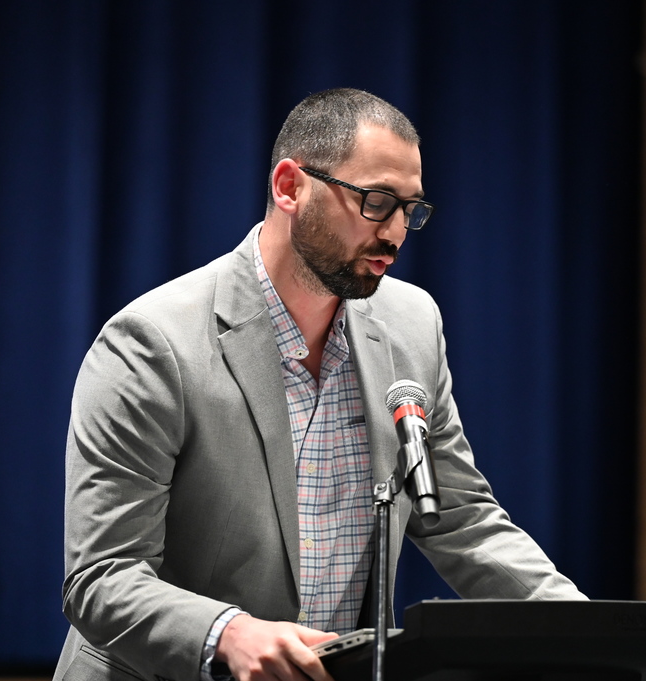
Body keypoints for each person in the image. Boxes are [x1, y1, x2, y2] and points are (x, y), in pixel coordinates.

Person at [53, 88, 585, 681]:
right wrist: (228, 631)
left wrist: (588, 639)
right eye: (378, 202)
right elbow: (103, 577)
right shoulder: (153, 343)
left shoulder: (411, 325)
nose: (397, 233)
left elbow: (460, 518)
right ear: (290, 187)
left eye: (412, 209)